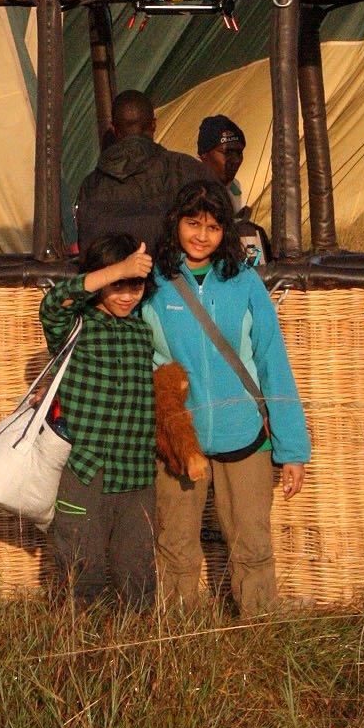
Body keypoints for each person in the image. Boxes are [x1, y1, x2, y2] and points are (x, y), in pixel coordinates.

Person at [144, 180, 310, 615]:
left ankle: (259, 628)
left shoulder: (245, 282)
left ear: (226, 232)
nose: (202, 236)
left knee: (252, 544)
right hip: (181, 439)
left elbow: (273, 361)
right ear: (175, 222)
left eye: (214, 227)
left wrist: (293, 449)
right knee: (175, 545)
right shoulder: (153, 283)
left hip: (246, 435)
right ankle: (177, 634)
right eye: (193, 223)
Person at [38, 232, 159, 607]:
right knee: (81, 570)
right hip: (85, 470)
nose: (126, 295)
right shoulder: (75, 327)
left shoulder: (142, 333)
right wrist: (118, 269)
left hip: (137, 473)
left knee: (138, 575)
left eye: (135, 285)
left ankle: (136, 640)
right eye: (116, 285)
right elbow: (52, 303)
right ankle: (75, 638)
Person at [75, 88, 198, 255]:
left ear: (114, 129)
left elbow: (86, 246)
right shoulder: (186, 169)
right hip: (171, 270)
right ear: (153, 124)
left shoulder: (91, 184)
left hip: (112, 271)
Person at [196, 113, 270, 264]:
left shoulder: (235, 187)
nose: (235, 160)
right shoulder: (191, 187)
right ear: (204, 155)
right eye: (227, 153)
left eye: (239, 152)